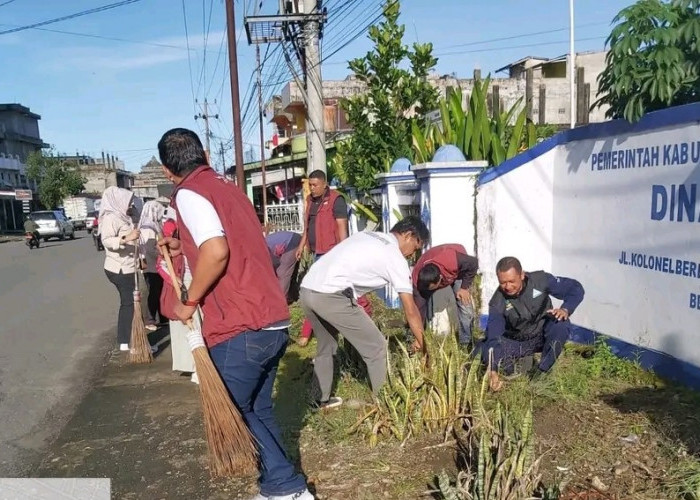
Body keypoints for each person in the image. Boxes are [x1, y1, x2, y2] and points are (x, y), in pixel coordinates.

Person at [156, 128, 312, 500]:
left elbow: (217, 251)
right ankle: (277, 486)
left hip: (242, 324)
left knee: (232, 408)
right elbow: (230, 242)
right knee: (257, 408)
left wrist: (190, 300)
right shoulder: (227, 188)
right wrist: (182, 245)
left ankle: (290, 489)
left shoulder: (190, 193)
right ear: (204, 154)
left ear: (166, 171)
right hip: (271, 317)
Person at [299, 216, 430, 409]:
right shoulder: (394, 257)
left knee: (326, 343)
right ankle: (386, 406)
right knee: (377, 347)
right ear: (408, 235)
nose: (413, 255)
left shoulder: (368, 235)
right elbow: (410, 309)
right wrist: (423, 342)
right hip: (331, 294)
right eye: (416, 248)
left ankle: (319, 399)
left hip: (307, 289)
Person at [480, 256, 585, 392]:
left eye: (512, 281)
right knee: (482, 349)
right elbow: (494, 336)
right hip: (516, 342)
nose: (508, 287)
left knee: (561, 323)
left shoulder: (541, 280)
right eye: (503, 282)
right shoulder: (497, 302)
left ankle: (542, 372)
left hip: (541, 336)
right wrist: (492, 369)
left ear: (522, 275)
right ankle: (509, 375)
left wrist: (565, 309)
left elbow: (575, 288)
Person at [157, 209, 199, 384]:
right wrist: (177, 281)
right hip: (183, 281)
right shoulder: (170, 226)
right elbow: (161, 262)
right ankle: (195, 366)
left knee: (200, 325)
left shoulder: (198, 222)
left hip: (200, 277)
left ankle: (202, 364)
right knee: (189, 325)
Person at [99, 186, 141, 352]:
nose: (129, 205)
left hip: (130, 265)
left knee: (130, 302)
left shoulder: (126, 217)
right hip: (119, 268)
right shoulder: (111, 218)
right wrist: (126, 238)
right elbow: (107, 241)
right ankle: (129, 341)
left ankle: (128, 339)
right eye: (127, 202)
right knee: (129, 302)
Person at [413, 243, 479, 346]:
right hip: (436, 271)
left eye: (434, 288)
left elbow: (474, 263)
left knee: (465, 306)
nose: (432, 291)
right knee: (418, 309)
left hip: (458, 270)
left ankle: (466, 344)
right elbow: (418, 311)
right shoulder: (417, 280)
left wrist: (464, 288)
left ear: (440, 279)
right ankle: (418, 340)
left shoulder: (453, 261)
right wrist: (417, 337)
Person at [138, 200, 166, 331]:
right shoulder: (149, 228)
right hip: (152, 266)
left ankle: (163, 317)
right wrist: (163, 256)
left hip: (151, 265)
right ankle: (150, 319)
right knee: (154, 293)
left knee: (159, 291)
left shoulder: (144, 225)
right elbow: (150, 249)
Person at [266, 230, 302, 303]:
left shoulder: (262, 248)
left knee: (283, 273)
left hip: (291, 241)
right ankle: (292, 296)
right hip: (287, 241)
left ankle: (280, 302)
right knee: (288, 272)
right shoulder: (260, 247)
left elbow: (274, 265)